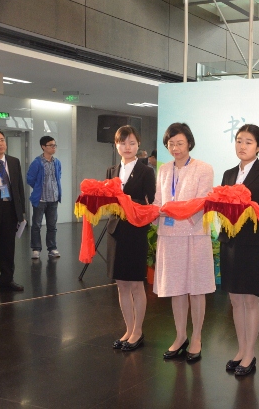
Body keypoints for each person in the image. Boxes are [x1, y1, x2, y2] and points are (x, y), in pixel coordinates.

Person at [220, 124, 259, 377]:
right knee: (235, 299)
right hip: (229, 242)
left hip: (252, 243)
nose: (242, 146)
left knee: (250, 299)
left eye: (248, 142)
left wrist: (243, 209)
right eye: (239, 141)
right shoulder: (228, 173)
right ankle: (240, 349)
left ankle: (250, 354)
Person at [154, 122, 214, 363]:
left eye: (180, 143)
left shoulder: (203, 168)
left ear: (189, 142)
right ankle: (180, 336)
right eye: (171, 144)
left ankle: (197, 336)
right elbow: (159, 200)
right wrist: (157, 210)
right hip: (169, 238)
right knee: (176, 288)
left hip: (194, 235)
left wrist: (174, 211)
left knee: (196, 289)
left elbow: (203, 202)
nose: (175, 148)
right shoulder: (164, 169)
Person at [106, 126, 156, 352]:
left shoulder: (146, 172)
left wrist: (130, 204)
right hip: (116, 230)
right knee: (121, 284)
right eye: (123, 143)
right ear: (116, 145)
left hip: (135, 231)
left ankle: (138, 331)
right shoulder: (111, 170)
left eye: (132, 143)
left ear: (138, 146)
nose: (127, 147)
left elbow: (151, 203)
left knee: (136, 283)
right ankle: (128, 329)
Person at [0, 130, 26, 292]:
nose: (0, 144)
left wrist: (21, 212)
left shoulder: (14, 162)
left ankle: (6, 280)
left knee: (8, 248)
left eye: (2, 140)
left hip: (9, 210)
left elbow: (18, 188)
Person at [26, 136, 62, 259]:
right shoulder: (37, 162)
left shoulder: (57, 162)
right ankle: (36, 249)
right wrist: (38, 189)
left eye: (54, 145)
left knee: (52, 225)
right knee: (36, 225)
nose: (53, 147)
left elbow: (58, 177)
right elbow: (30, 179)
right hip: (40, 199)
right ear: (43, 147)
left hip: (53, 199)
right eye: (51, 145)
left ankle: (52, 248)